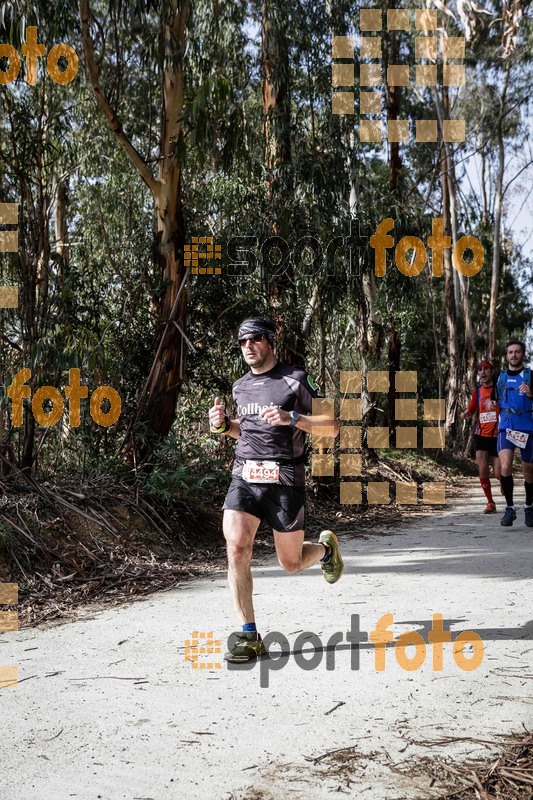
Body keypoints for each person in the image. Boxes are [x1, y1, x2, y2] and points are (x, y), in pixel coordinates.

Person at [208, 316, 343, 663]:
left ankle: (326, 550)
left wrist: (292, 418)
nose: (248, 347)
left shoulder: (296, 380)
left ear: (270, 341)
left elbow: (333, 426)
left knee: (291, 562)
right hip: (245, 476)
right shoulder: (240, 387)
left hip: (285, 479)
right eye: (242, 342)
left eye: (254, 339)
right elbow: (248, 430)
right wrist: (225, 426)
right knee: (236, 546)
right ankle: (249, 634)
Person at [494, 340, 533, 527]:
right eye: (510, 352)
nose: (514, 355)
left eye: (517, 352)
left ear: (523, 355)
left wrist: (531, 393)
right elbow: (491, 396)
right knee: (506, 466)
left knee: (528, 471)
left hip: (527, 426)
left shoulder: (530, 375)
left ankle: (529, 505)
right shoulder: (499, 377)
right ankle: (509, 509)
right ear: (506, 356)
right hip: (506, 426)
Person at [459, 360, 501, 514]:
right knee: (482, 469)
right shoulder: (477, 391)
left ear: (491, 372)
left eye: (486, 369)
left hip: (498, 436)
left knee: (498, 473)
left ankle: (503, 482)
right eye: (479, 370)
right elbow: (472, 408)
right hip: (481, 435)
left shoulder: (499, 389)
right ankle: (490, 502)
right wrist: (466, 414)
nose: (482, 372)